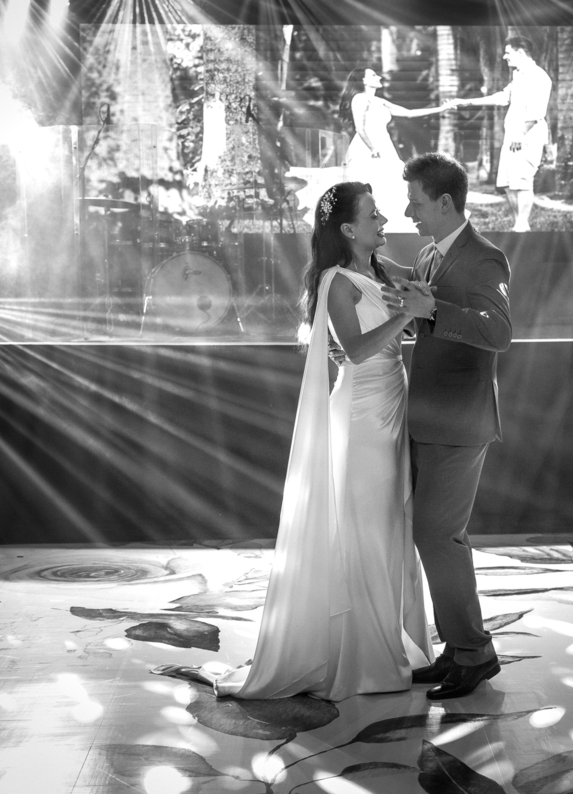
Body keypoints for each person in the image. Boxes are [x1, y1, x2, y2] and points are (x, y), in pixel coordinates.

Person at [213, 182, 434, 700]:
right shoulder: (337, 281)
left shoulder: (377, 270)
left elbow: (425, 284)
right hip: (361, 419)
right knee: (365, 530)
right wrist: (409, 315)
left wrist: (420, 297)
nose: (384, 221)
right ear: (349, 229)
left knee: (387, 527)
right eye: (374, 215)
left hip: (391, 406)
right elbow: (354, 349)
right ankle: (363, 658)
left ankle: (383, 645)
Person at [380, 152, 512, 699]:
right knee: (438, 536)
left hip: (460, 422)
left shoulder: (485, 258)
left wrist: (432, 311)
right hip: (427, 417)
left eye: (415, 202)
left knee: (436, 534)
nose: (408, 212)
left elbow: (499, 332)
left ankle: (475, 653)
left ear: (444, 202)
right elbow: (424, 311)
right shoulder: (429, 255)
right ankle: (458, 652)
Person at [447, 36, 553, 231]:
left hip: (527, 136)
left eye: (508, 52)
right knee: (507, 182)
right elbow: (503, 97)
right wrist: (467, 102)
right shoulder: (518, 75)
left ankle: (522, 225)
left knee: (522, 181)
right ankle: (519, 224)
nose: (505, 57)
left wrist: (520, 134)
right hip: (513, 136)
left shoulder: (539, 77)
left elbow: (537, 112)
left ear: (520, 53)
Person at [339, 67, 450, 233]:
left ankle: (390, 225)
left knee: (395, 182)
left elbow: (409, 113)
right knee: (371, 184)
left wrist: (441, 109)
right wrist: (372, 149)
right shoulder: (360, 99)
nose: (378, 77)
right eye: (373, 75)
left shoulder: (380, 101)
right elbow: (360, 128)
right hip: (367, 147)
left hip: (384, 145)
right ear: (363, 80)